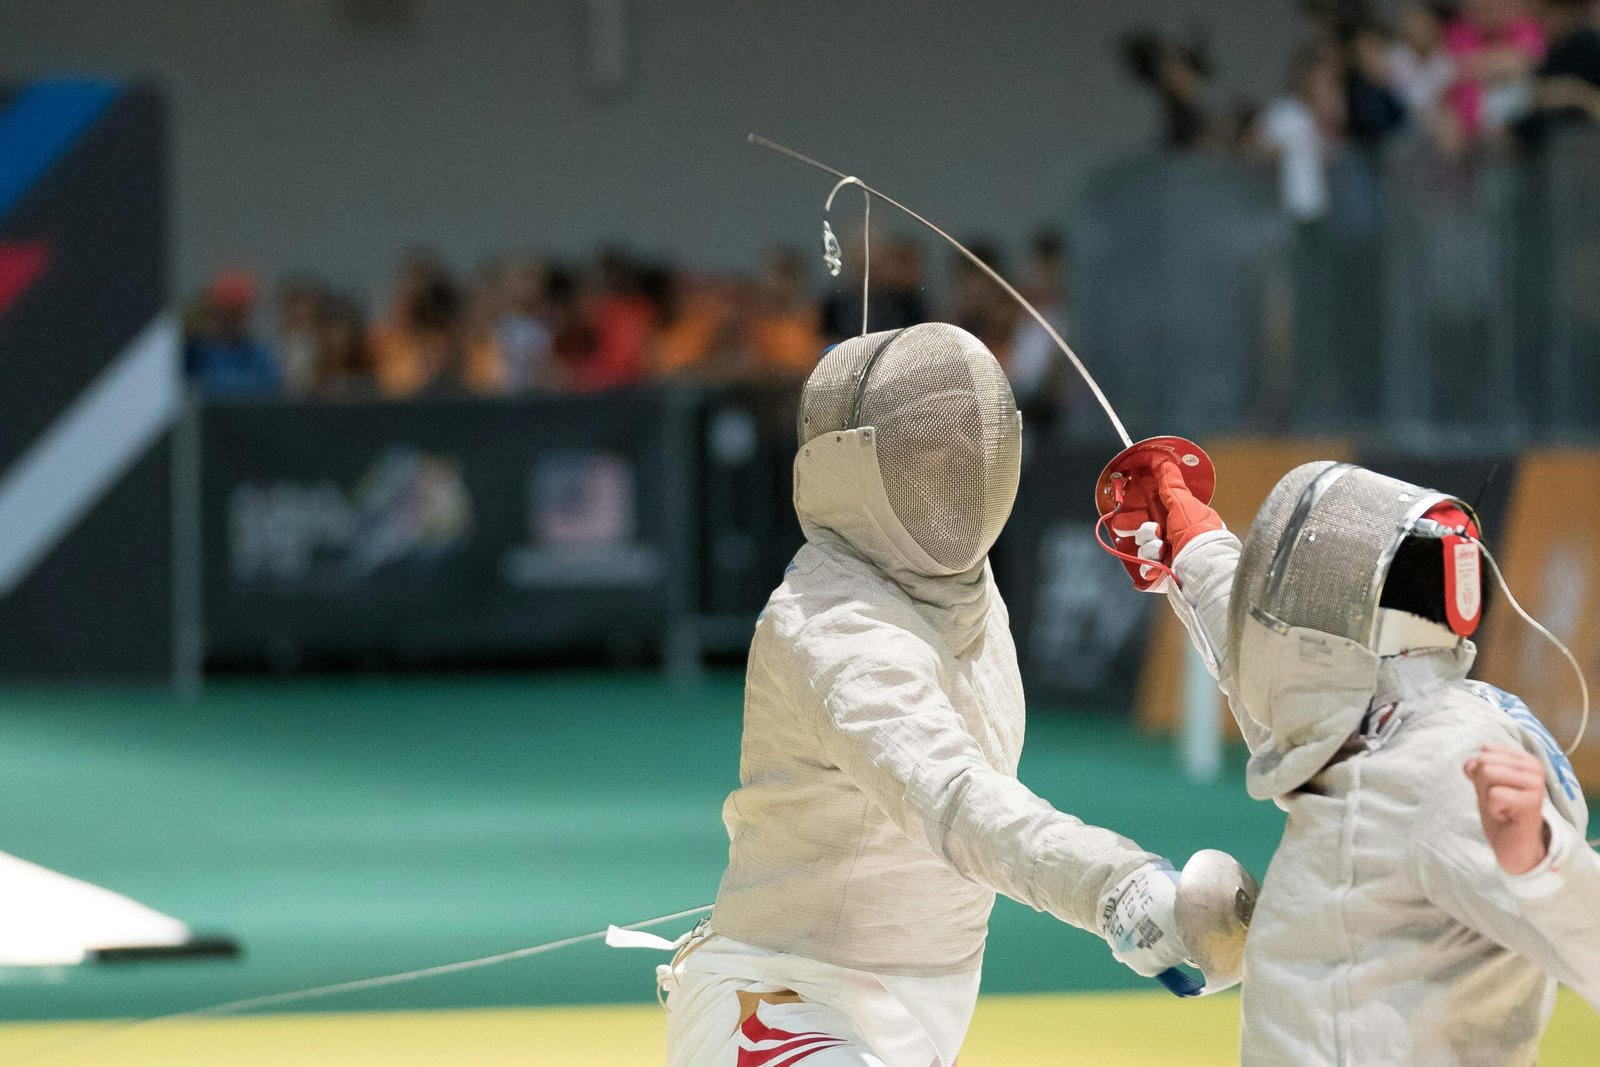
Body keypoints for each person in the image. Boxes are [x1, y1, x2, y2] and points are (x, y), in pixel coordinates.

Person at [660, 324, 1249, 1067]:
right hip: (781, 1004)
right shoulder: (831, 626)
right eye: (929, 452)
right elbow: (955, 798)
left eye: (973, 446)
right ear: (856, 466)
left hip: (927, 1010)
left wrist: (1196, 556)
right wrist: (1114, 881)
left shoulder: (969, 596)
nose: (961, 470)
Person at [1119, 457, 1599, 1063]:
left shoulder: (1445, 763)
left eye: (1314, 590)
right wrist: (1194, 545)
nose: (1292, 606)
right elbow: (1275, 682)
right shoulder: (1358, 714)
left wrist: (1539, 862)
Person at [182, 270, 281, 397]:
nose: (229, 320)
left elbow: (271, 390)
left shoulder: (260, 356)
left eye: (236, 313)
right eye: (224, 312)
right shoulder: (195, 354)